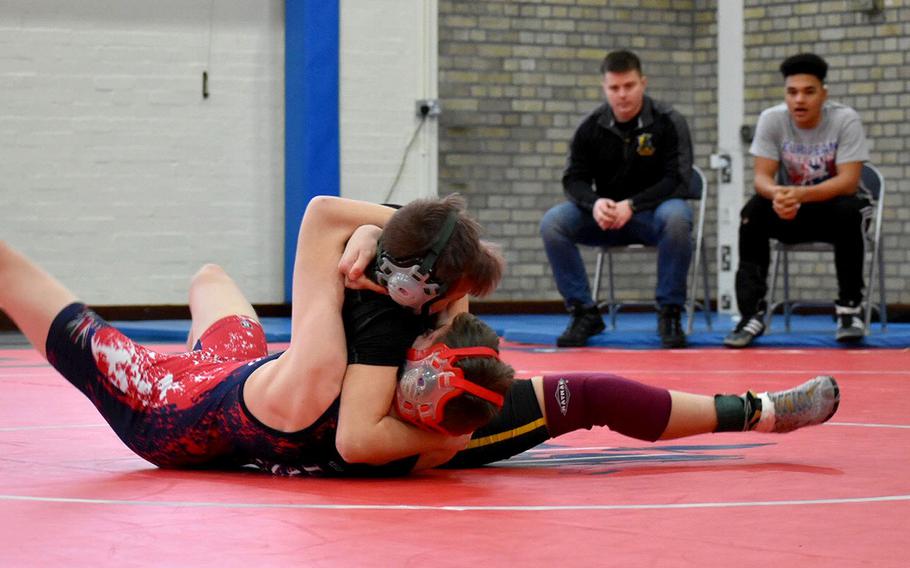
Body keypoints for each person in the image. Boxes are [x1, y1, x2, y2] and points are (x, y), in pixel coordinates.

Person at [0, 195, 513, 477]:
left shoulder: (398, 302)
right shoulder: (331, 359)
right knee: (34, 297)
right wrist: (452, 435)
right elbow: (358, 443)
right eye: (450, 301)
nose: (449, 318)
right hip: (167, 402)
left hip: (239, 372)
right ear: (407, 286)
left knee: (211, 278)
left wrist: (378, 228)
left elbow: (331, 216)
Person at [540, 49, 695, 349]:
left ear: (643, 83)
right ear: (605, 88)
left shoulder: (669, 121)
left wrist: (633, 205)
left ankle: (670, 312)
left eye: (629, 86)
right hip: (605, 216)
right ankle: (584, 312)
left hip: (652, 215)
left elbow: (678, 180)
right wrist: (595, 203)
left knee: (678, 216)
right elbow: (573, 179)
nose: (622, 95)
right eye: (614, 88)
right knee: (554, 222)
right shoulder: (590, 126)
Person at [724, 53, 872, 348]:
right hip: (791, 208)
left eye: (808, 92)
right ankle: (750, 315)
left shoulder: (845, 119)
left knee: (850, 212)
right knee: (752, 212)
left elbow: (848, 181)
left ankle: (849, 310)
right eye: (792, 92)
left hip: (833, 210)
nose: (799, 100)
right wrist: (779, 195)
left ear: (824, 94)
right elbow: (762, 178)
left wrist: (799, 194)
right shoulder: (771, 119)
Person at [441, 372, 840, 469]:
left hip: (424, 392)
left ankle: (761, 410)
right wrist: (434, 445)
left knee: (590, 392)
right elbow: (372, 440)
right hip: (398, 432)